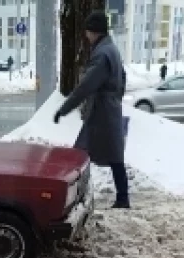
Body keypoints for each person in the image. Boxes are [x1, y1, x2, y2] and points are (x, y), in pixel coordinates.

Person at [54, 11, 129, 209]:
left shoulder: (102, 54)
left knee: (81, 153)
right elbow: (123, 77)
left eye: (87, 31)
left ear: (94, 31)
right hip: (108, 109)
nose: (86, 36)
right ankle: (122, 197)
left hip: (101, 112)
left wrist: (64, 109)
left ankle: (74, 194)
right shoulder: (111, 49)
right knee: (113, 155)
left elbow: (85, 86)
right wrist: (115, 98)